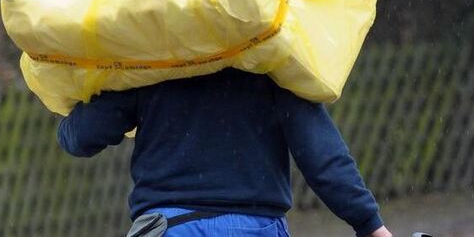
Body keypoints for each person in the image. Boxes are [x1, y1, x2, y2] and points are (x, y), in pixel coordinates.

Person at [57, 68, 392, 237]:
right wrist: (369, 224)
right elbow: (321, 155)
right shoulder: (269, 55)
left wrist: (66, 110)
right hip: (251, 227)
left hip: (168, 227)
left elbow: (83, 136)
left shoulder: (149, 57)